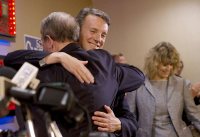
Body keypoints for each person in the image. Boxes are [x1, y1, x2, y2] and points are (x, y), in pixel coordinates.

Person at [4, 11, 144, 137]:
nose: (98, 39)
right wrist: (59, 57)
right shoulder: (106, 65)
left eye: (103, 35)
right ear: (77, 32)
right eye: (93, 31)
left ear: (49, 41)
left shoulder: (108, 67)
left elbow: (130, 119)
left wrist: (119, 124)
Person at [127, 41, 200, 137]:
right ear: (154, 62)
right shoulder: (137, 85)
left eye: (171, 64)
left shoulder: (181, 84)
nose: (169, 68)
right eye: (165, 64)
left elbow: (193, 114)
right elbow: (129, 118)